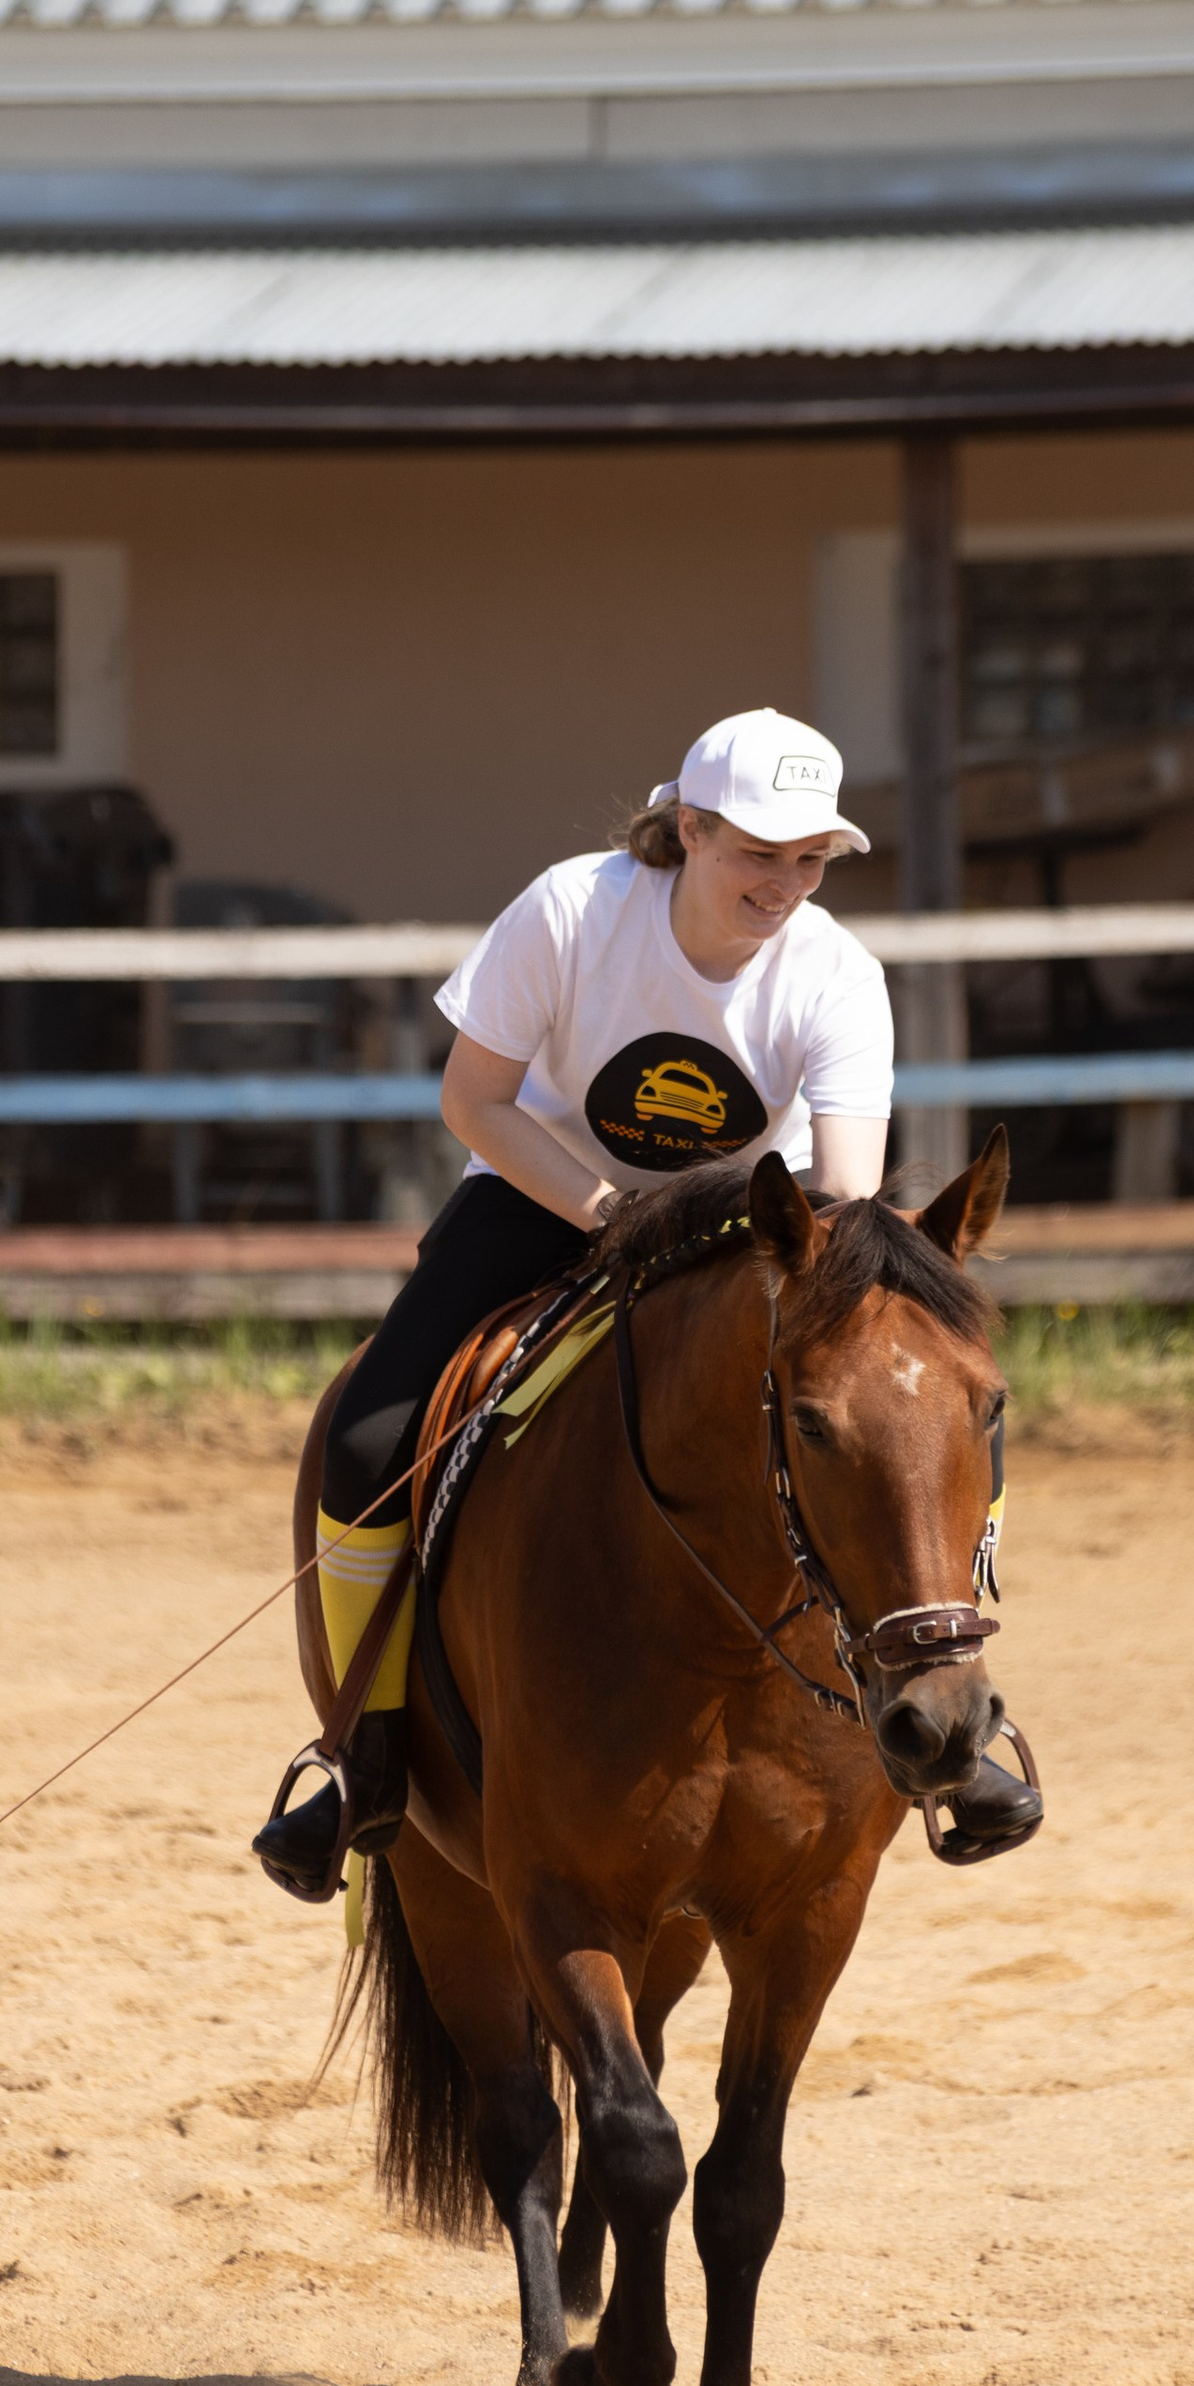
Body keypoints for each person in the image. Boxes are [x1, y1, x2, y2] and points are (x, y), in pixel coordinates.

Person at [252, 707, 895, 1901]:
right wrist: (608, 1215)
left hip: (753, 1228)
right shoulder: (570, 910)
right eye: (759, 852)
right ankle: (360, 1755)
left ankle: (941, 1726)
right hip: (546, 1196)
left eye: (810, 859)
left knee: (907, 1407)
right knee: (366, 1440)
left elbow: (848, 1188)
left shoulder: (839, 975)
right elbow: (473, 1101)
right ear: (690, 829)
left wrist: (774, 1251)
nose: (786, 885)